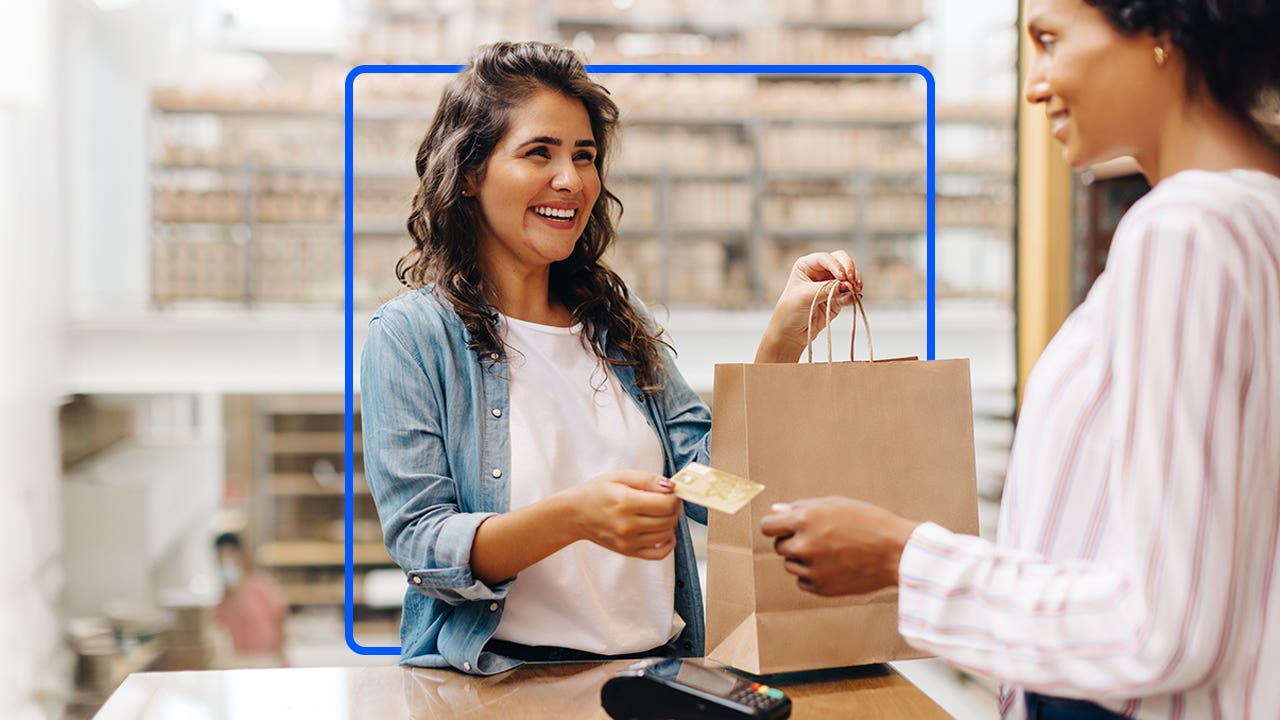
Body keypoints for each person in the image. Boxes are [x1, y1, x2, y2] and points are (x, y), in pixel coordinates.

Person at [761, 0, 1280, 717]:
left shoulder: (1185, 232)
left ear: (1162, 31)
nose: (1035, 85)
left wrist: (900, 555)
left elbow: (1160, 626)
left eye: (1050, 40)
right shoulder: (1257, 216)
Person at [359, 40, 860, 675]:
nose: (571, 180)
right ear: (469, 173)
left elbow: (714, 490)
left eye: (584, 155)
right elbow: (422, 543)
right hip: (501, 684)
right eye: (539, 152)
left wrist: (782, 344)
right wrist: (574, 516)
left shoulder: (617, 324)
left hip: (654, 678)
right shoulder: (411, 337)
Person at [212, 532, 287, 667]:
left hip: (266, 661)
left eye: (229, 557)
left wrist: (280, 656)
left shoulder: (262, 587)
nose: (224, 563)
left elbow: (281, 620)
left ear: (241, 557)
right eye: (220, 559)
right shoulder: (221, 599)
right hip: (238, 663)